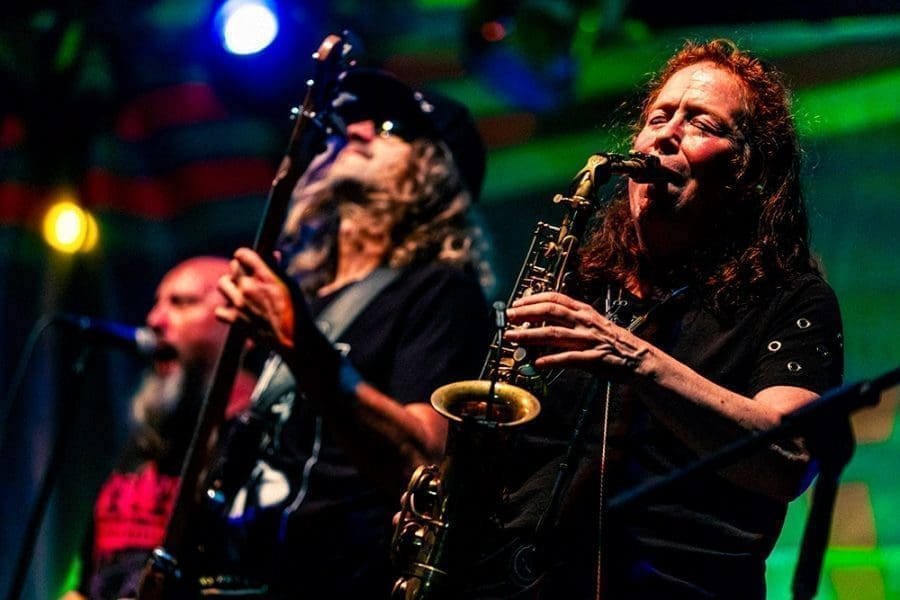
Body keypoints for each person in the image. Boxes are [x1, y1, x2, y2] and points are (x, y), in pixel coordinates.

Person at [463, 39, 844, 598]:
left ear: (751, 169)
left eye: (701, 124)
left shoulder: (792, 299)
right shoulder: (577, 284)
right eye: (658, 118)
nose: (665, 135)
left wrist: (634, 358)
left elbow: (786, 459)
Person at [204, 69, 492, 596]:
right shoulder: (310, 298)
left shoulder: (441, 293)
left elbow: (425, 465)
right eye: (357, 120)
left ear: (436, 169)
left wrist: (301, 345)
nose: (355, 130)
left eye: (388, 128)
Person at [62, 256, 259, 600]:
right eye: (157, 303)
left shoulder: (257, 444)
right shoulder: (146, 443)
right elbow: (87, 581)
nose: (154, 319)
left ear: (242, 324)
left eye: (182, 302)